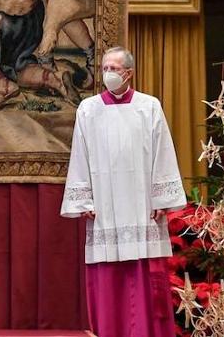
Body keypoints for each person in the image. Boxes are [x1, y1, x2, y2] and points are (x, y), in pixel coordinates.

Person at [60, 47, 185, 337]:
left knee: (142, 272)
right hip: (104, 205)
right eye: (104, 68)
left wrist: (161, 198)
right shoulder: (88, 109)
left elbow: (162, 152)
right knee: (108, 275)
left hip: (142, 205)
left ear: (128, 73)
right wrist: (84, 199)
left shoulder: (149, 106)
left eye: (114, 69)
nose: (108, 74)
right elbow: (80, 155)